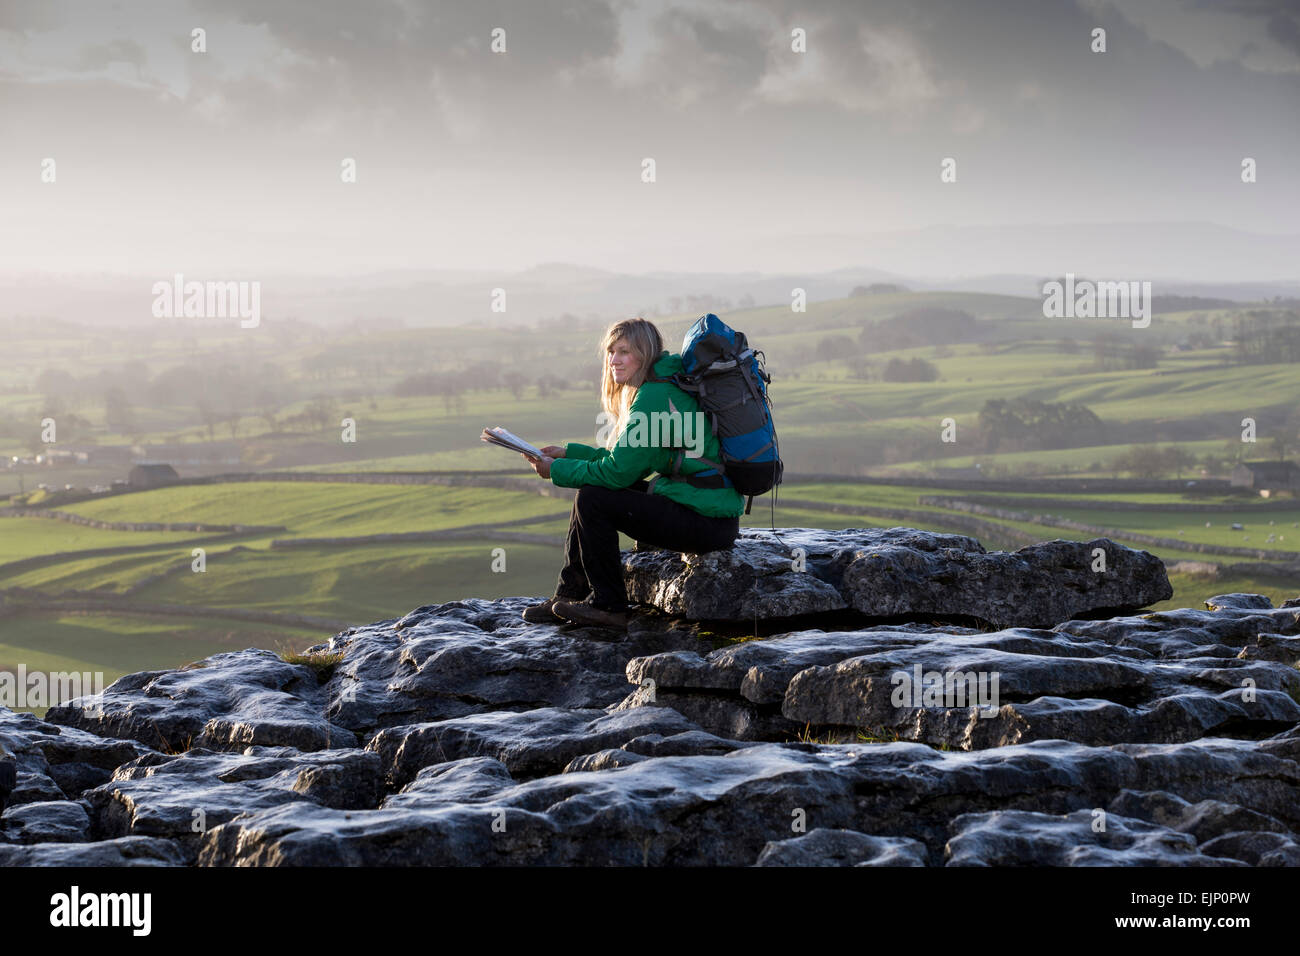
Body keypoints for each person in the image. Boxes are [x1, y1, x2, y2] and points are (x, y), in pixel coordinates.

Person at [520, 317, 745, 629]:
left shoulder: (653, 398)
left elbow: (616, 475)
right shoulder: (666, 384)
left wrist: (556, 470)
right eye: (611, 351)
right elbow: (626, 459)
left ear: (645, 353)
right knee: (591, 491)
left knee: (593, 498)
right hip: (707, 512)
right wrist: (569, 453)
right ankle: (570, 594)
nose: (614, 360)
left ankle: (609, 606)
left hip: (706, 521)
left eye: (624, 351)